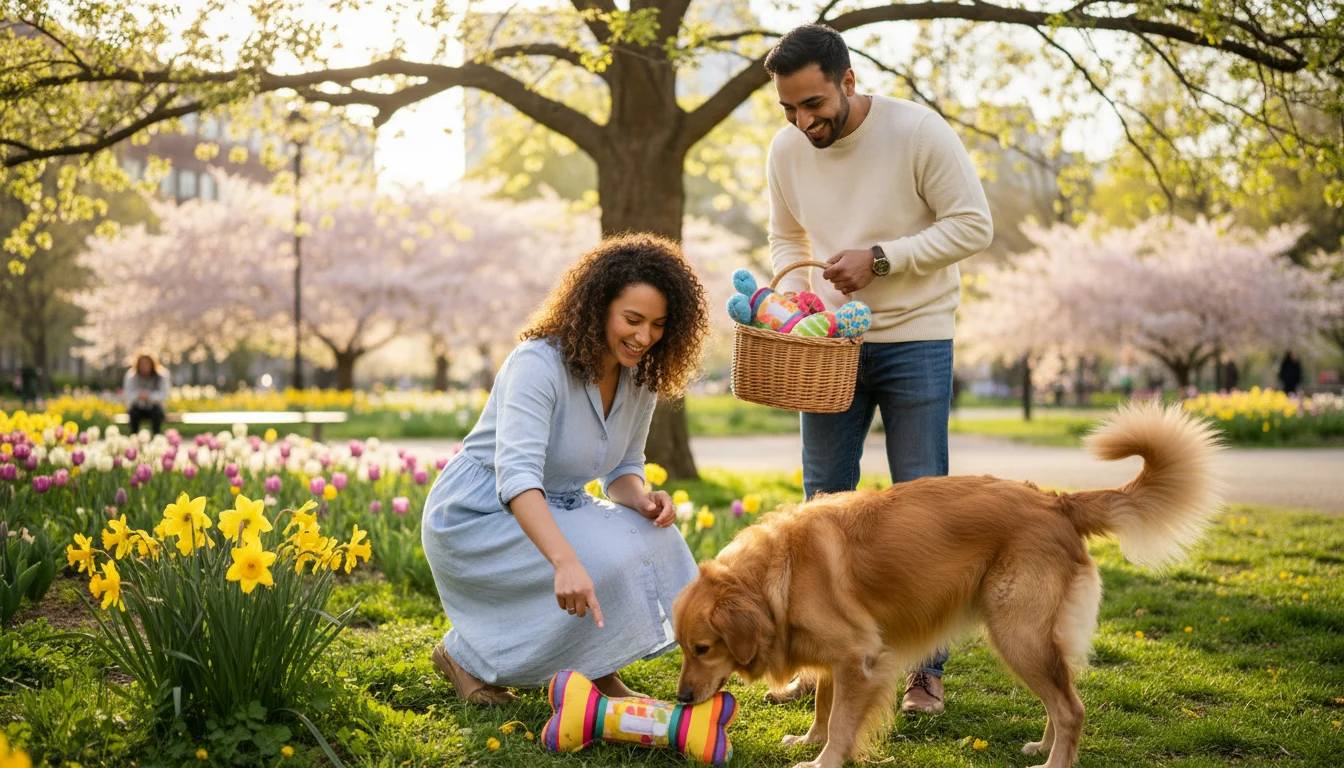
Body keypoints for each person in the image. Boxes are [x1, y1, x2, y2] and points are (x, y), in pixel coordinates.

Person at [762, 24, 994, 715]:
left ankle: (926, 669)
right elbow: (785, 234)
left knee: (923, 510)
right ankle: (824, 657)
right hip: (828, 344)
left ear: (848, 81)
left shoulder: (918, 132)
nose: (804, 122)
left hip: (918, 337)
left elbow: (973, 224)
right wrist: (791, 292)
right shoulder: (786, 149)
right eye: (789, 109)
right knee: (820, 504)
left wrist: (881, 257)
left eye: (813, 105)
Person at [420, 233, 711, 704]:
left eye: (658, 325)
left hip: (559, 504)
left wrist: (638, 496)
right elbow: (516, 479)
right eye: (632, 319)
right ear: (598, 307)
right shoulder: (538, 365)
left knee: (659, 538)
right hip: (480, 514)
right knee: (598, 559)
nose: (644, 337)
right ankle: (464, 656)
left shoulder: (640, 376)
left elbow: (624, 466)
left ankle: (598, 668)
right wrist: (565, 561)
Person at [122, 353, 171, 435]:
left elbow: (165, 394)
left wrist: (149, 396)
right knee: (133, 413)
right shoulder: (132, 376)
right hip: (137, 407)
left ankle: (157, 437)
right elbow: (127, 394)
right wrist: (138, 395)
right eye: (142, 364)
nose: (144, 366)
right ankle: (134, 437)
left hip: (155, 407)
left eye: (147, 363)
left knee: (157, 414)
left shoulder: (161, 375)